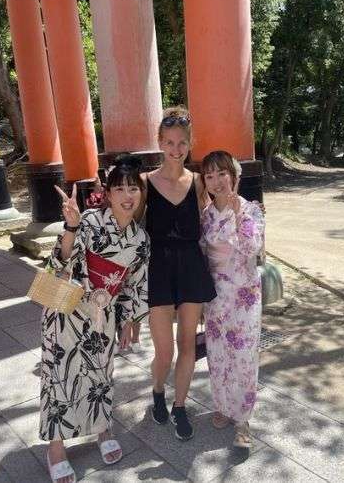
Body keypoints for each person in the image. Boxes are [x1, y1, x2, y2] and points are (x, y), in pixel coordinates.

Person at [41, 155, 149, 483]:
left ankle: (102, 429)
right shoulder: (89, 219)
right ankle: (56, 448)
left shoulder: (141, 241)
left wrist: (131, 320)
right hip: (67, 307)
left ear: (141, 195)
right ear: (109, 192)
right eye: (121, 188)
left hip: (103, 315)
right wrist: (71, 226)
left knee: (101, 375)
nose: (128, 195)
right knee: (59, 374)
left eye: (134, 188)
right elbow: (61, 260)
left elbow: (135, 284)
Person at [139, 106, 216, 441]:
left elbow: (216, 216)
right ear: (160, 142)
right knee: (164, 351)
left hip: (190, 268)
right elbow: (129, 225)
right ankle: (158, 390)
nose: (175, 149)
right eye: (169, 142)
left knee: (187, 343)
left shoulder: (200, 182)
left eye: (181, 142)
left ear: (189, 143)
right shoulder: (144, 183)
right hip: (157, 270)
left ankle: (180, 406)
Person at [199, 150, 264, 450]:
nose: (216, 181)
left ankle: (243, 419)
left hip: (244, 295)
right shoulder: (206, 216)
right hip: (215, 295)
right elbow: (201, 255)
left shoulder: (251, 210)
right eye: (209, 176)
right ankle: (224, 406)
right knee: (218, 354)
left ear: (234, 175)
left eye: (221, 173)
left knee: (244, 356)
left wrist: (238, 215)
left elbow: (252, 249)